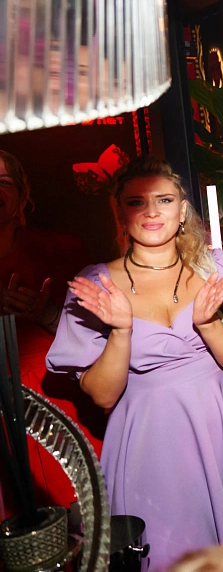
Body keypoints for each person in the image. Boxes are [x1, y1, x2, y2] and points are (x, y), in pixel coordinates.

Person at [47, 157, 223, 570]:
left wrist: (208, 324)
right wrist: (120, 331)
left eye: (164, 200)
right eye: (137, 202)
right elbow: (102, 395)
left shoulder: (214, 266)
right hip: (152, 442)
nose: (152, 211)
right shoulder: (96, 285)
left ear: (182, 210)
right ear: (120, 213)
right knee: (171, 553)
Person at [0, 150, 104, 511]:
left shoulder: (60, 249)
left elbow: (98, 335)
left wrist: (45, 313)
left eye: (4, 182)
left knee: (81, 514)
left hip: (57, 400)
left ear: (22, 197)